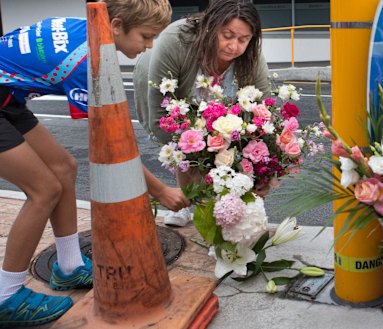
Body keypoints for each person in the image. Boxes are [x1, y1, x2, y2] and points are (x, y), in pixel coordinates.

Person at [0, 0, 188, 326]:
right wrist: (161, 192)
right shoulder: (85, 61)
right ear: (115, 26)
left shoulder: (82, 30)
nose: (149, 45)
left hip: (7, 98)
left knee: (64, 169)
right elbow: (113, 151)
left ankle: (69, 267)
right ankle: (6, 296)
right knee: (43, 189)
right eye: (145, 36)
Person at [134, 0, 270, 227]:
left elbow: (265, 111)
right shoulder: (175, 40)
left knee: (223, 145)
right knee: (186, 139)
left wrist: (263, 172)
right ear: (211, 27)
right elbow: (161, 117)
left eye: (243, 40)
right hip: (165, 87)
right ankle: (187, 202)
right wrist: (200, 170)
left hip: (218, 107)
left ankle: (211, 204)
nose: (234, 46)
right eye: (227, 35)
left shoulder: (251, 57)